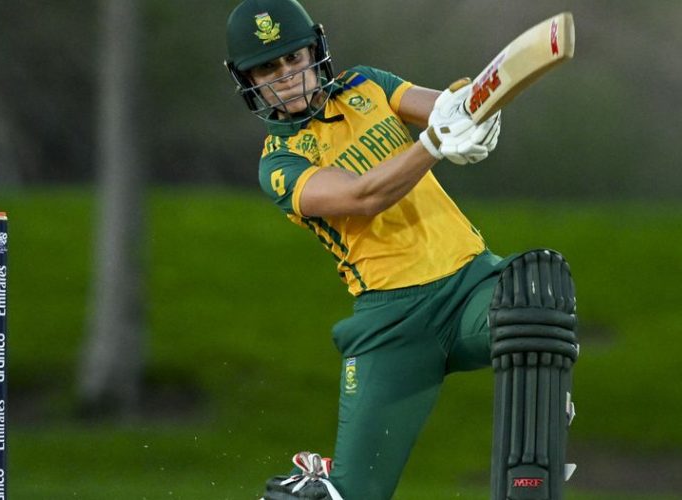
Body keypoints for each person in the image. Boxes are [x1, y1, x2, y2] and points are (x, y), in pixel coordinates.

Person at [223, 1, 580, 499]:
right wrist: (434, 144)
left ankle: (532, 465)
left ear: (315, 52)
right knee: (350, 495)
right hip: (392, 325)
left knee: (535, 293)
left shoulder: (364, 84)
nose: (288, 75)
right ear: (249, 81)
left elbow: (450, 109)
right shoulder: (278, 164)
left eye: (294, 57)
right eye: (269, 67)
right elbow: (363, 196)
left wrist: (477, 116)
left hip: (469, 282)